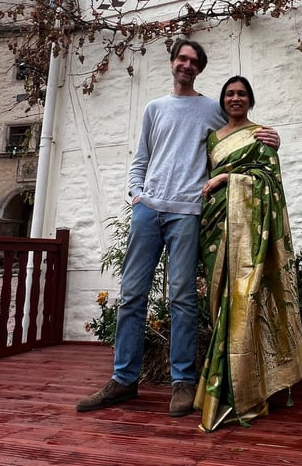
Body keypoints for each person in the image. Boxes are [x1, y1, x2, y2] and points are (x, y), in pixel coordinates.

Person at [76, 40, 280, 417]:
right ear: (173, 63)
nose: (186, 65)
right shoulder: (155, 108)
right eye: (181, 58)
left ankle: (182, 383)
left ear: (199, 69)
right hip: (148, 212)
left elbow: (237, 135)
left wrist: (270, 137)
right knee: (132, 296)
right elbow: (142, 158)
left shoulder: (211, 110)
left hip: (188, 213)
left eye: (193, 61)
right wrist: (137, 195)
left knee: (183, 299)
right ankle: (123, 380)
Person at [194, 75, 302, 431]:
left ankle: (244, 388)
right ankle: (222, 383)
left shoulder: (261, 136)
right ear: (223, 101)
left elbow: (271, 184)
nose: (235, 98)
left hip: (248, 236)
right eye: (229, 94)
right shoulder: (212, 138)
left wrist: (230, 179)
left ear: (250, 99)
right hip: (214, 228)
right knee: (219, 304)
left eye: (241, 94)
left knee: (242, 301)